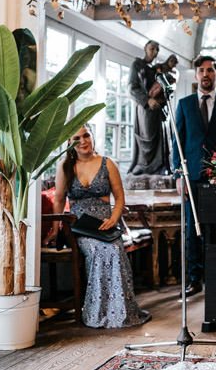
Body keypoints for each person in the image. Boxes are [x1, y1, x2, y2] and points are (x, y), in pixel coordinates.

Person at [52, 125, 151, 328]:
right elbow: (59, 201)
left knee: (114, 249)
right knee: (98, 250)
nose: (83, 141)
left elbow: (120, 197)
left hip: (106, 226)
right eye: (77, 138)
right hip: (80, 229)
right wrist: (55, 231)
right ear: (69, 144)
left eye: (86, 135)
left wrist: (114, 219)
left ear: (92, 136)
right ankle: (98, 312)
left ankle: (121, 310)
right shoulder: (64, 167)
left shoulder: (108, 164)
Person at [171, 54, 216, 296]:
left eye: (210, 70)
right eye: (201, 70)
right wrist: (178, 174)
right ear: (196, 75)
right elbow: (177, 142)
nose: (206, 74)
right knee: (193, 229)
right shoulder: (184, 104)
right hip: (192, 176)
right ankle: (195, 278)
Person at [128, 40, 168, 175]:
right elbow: (132, 88)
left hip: (158, 110)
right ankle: (144, 166)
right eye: (152, 48)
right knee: (147, 137)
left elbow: (163, 87)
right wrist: (147, 100)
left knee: (159, 138)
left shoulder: (155, 69)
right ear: (145, 48)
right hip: (145, 109)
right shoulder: (137, 65)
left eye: (157, 49)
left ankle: (158, 167)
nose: (155, 52)